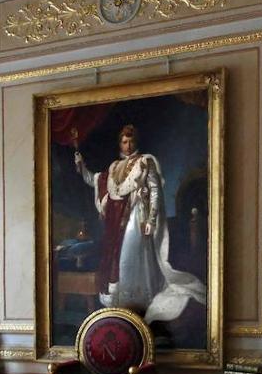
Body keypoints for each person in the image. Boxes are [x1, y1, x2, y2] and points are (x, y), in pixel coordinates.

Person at [73, 124, 207, 324]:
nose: (127, 145)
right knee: (118, 258)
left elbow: (154, 191)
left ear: (136, 142)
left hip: (136, 217)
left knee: (131, 254)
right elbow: (96, 181)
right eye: (124, 142)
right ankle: (122, 303)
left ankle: (140, 301)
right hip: (115, 220)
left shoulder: (145, 162)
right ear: (120, 143)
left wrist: (151, 220)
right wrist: (82, 166)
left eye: (131, 141)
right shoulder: (114, 167)